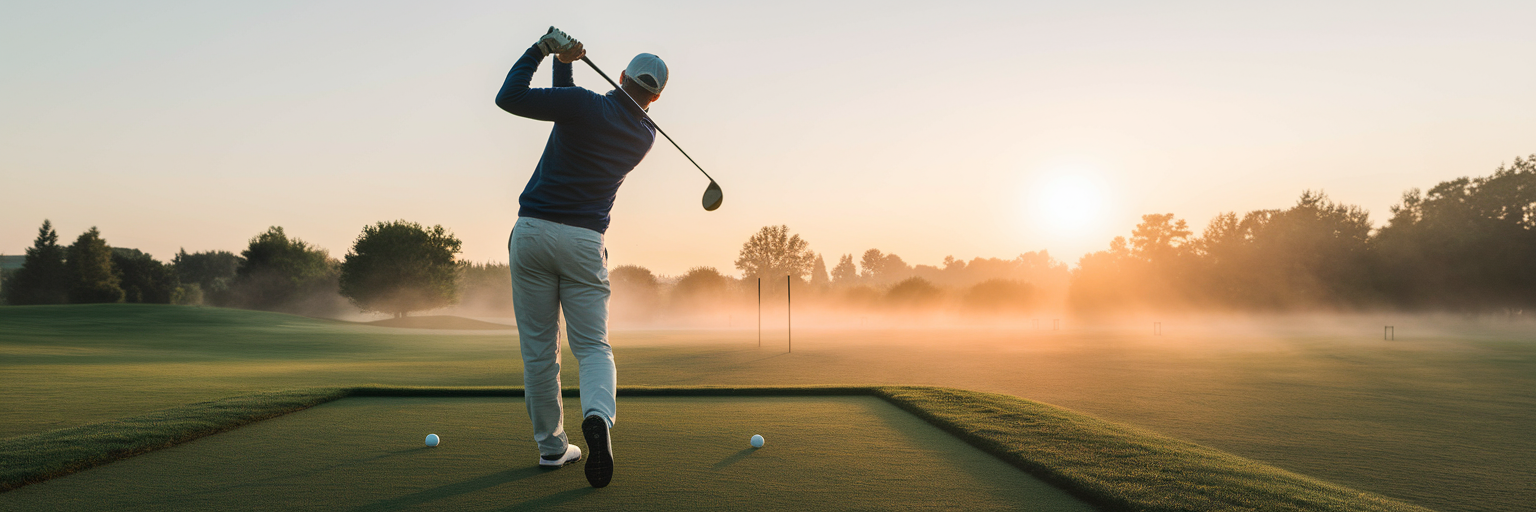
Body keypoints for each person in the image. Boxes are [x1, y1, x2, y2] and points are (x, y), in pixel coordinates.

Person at [494, 27, 667, 489]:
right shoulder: (644, 135)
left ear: (623, 75)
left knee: (539, 352)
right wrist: (566, 64)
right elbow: (568, 105)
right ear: (655, 98)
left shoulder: (585, 105)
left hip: (532, 234)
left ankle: (553, 449)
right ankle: (597, 418)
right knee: (592, 346)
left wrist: (545, 50)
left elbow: (511, 97)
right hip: (585, 243)